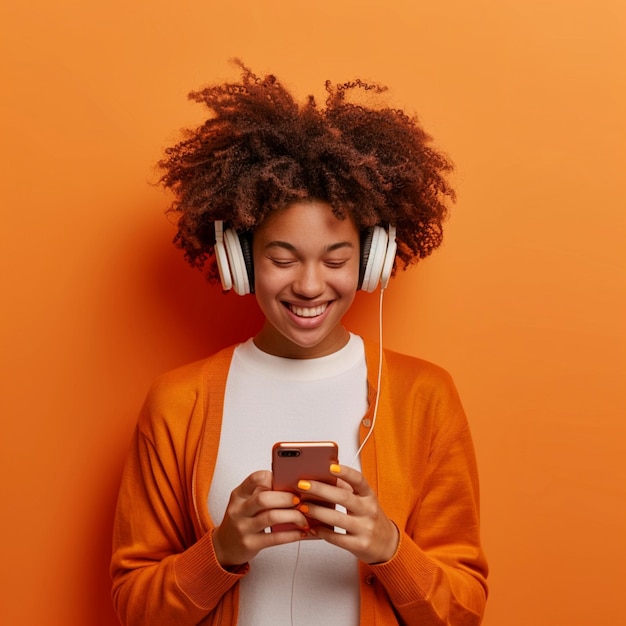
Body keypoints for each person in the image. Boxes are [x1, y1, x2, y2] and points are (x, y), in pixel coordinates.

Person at [110, 61, 488, 625]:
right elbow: (132, 608)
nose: (310, 286)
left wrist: (389, 547)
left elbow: (463, 611)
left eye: (335, 260)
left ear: (371, 260)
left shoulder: (424, 398)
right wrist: (220, 552)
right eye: (282, 259)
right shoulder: (177, 402)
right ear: (239, 260)